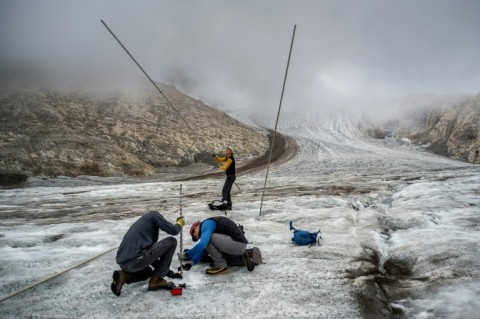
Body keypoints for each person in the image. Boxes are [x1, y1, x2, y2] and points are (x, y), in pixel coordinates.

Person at [110, 211, 185, 296]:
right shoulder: (153, 215)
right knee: (172, 241)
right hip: (135, 260)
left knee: (148, 272)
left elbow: (151, 256)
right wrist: (179, 224)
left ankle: (124, 275)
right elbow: (173, 230)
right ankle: (156, 280)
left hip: (124, 265)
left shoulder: (142, 226)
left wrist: (169, 273)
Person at [178, 216, 255, 274]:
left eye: (195, 236)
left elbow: (202, 244)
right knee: (208, 245)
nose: (198, 237)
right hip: (237, 246)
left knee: (208, 238)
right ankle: (242, 257)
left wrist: (188, 254)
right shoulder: (209, 225)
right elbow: (206, 250)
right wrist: (192, 262)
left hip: (238, 245)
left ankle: (220, 265)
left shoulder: (206, 224)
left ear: (196, 228)